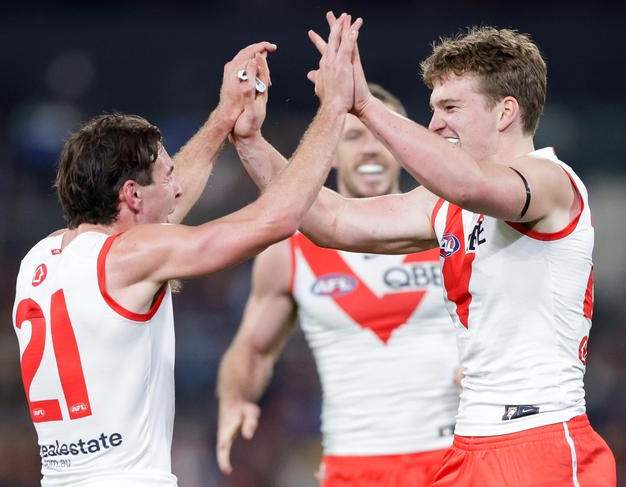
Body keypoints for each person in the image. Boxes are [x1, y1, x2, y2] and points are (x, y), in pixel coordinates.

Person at [232, 13, 616, 487]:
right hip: (468, 448)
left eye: (450, 107)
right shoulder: (446, 204)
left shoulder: (551, 182)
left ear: (505, 112)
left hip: (542, 443)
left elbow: (471, 183)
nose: (434, 124)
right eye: (433, 109)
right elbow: (331, 221)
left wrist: (365, 106)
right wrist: (250, 142)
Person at [11, 15, 362, 486]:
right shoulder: (129, 258)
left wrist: (222, 119)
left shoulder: (41, 258)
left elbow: (160, 215)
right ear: (132, 195)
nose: (178, 190)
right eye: (166, 175)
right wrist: (334, 109)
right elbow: (275, 219)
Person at [216, 83, 460, 486]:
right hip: (355, 463)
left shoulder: (451, 230)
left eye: (382, 136)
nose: (369, 149)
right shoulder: (290, 251)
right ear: (328, 155)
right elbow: (253, 348)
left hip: (454, 456)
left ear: (405, 146)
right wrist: (235, 399)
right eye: (353, 137)